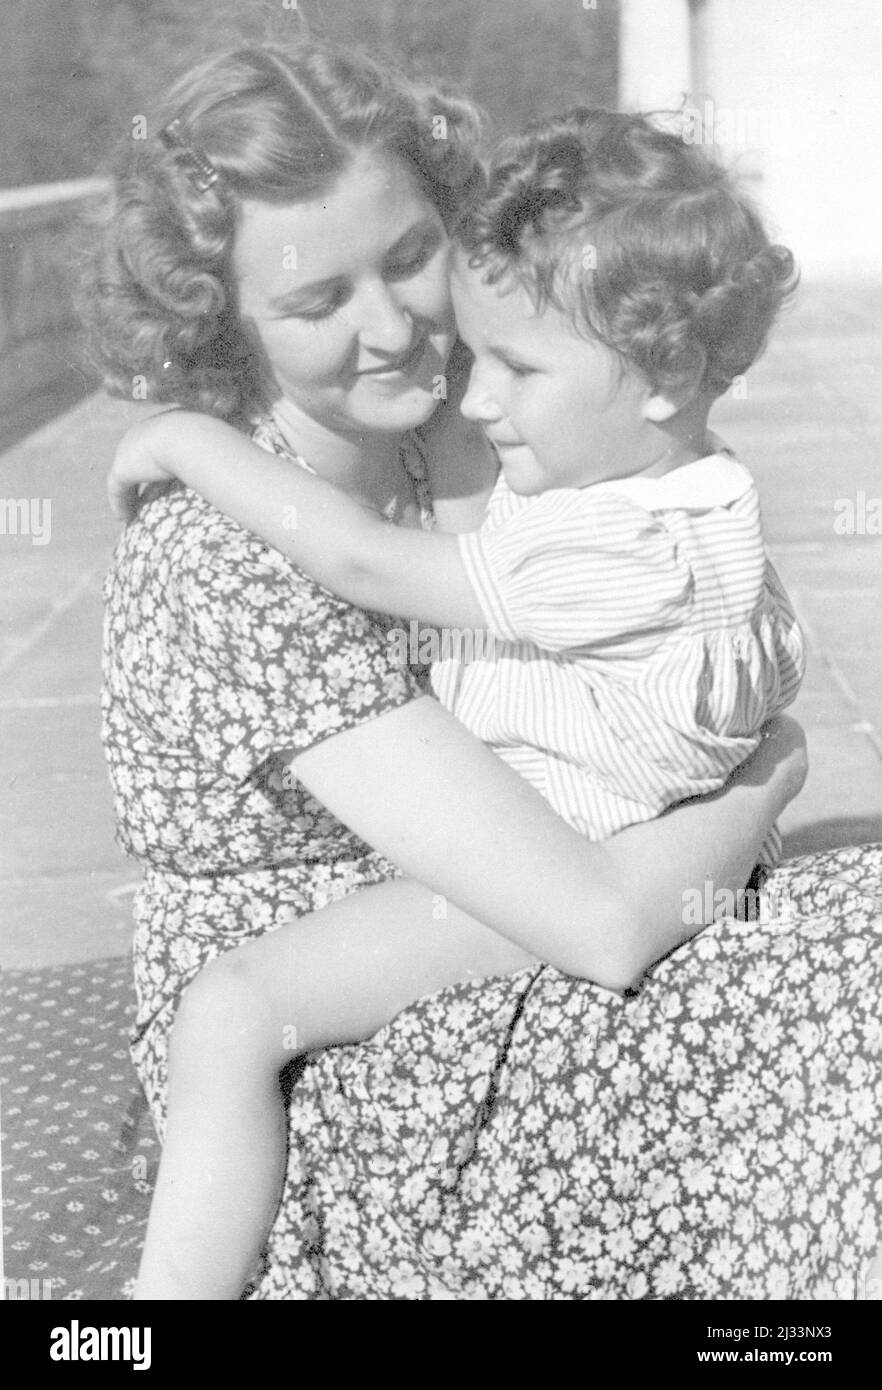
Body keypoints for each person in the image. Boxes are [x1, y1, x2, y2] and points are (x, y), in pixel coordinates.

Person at [87, 41, 878, 1302]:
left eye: (411, 259)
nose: (397, 327)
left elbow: (685, 568)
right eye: (316, 301)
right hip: (320, 1040)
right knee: (809, 1025)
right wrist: (768, 778)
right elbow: (609, 924)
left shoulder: (463, 424)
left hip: (522, 880)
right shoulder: (222, 550)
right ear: (218, 321)